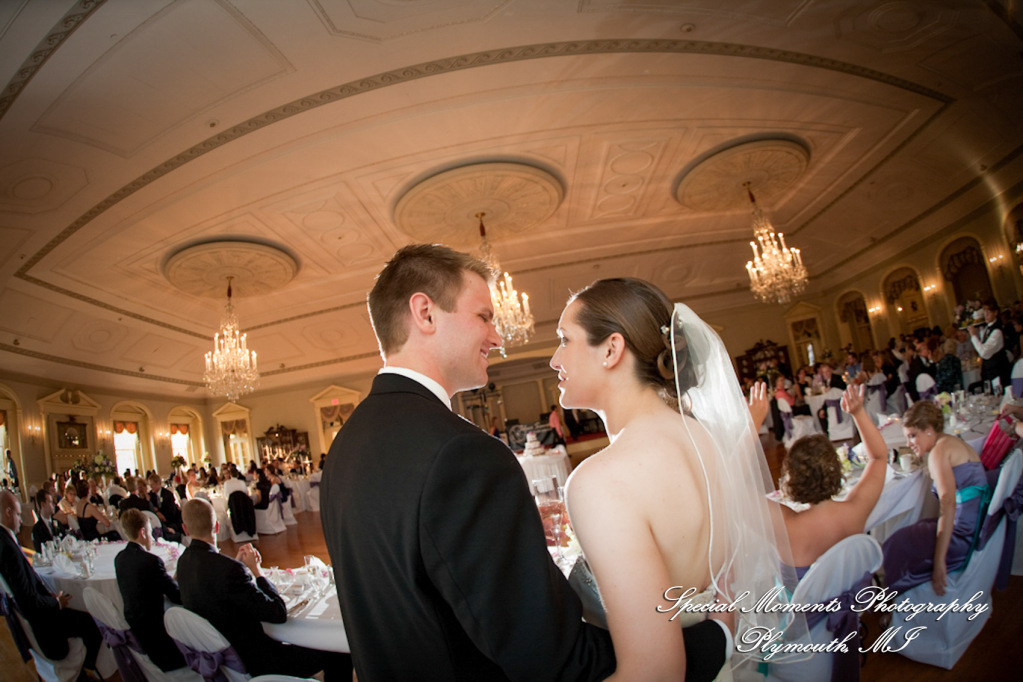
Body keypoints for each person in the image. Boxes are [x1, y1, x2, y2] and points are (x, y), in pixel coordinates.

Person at [321, 245, 728, 682]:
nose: (497, 338)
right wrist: (715, 639)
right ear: (425, 313)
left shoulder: (346, 445)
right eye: (484, 317)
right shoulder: (462, 453)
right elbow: (552, 661)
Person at [550, 278, 805, 679]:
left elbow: (655, 673)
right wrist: (721, 629)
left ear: (612, 349)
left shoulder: (599, 482)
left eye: (565, 340)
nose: (554, 360)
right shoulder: (706, 439)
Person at [177, 499, 350, 679]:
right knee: (337, 650)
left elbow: (216, 589)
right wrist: (257, 571)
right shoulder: (228, 570)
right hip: (258, 660)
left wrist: (236, 565)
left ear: (185, 529)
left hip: (226, 657)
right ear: (217, 526)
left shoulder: (183, 563)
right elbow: (277, 613)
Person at [775, 386, 887, 576]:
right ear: (835, 468)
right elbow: (879, 457)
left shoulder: (787, 526)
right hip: (858, 596)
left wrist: (750, 427)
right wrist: (858, 413)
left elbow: (735, 492)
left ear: (792, 477)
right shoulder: (856, 510)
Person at [882, 400, 987, 595]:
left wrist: (939, 562)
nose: (908, 444)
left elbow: (948, 504)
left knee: (896, 543)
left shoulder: (938, 453)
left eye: (913, 436)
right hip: (974, 525)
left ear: (929, 429)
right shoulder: (952, 441)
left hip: (961, 535)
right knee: (914, 530)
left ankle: (896, 601)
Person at [0, 490, 103, 674]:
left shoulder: (4, 540)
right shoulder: (7, 548)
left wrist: (49, 596)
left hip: (41, 614)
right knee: (91, 622)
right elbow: (28, 601)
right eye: (18, 514)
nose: (21, 521)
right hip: (45, 626)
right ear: (8, 513)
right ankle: (85, 670)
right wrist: (55, 602)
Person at [114, 508, 187, 672]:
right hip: (157, 634)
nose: (152, 537)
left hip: (137, 630)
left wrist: (171, 579)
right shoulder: (150, 561)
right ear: (142, 532)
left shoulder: (120, 558)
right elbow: (176, 596)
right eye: (149, 531)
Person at [970, 298, 1012, 390]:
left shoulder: (997, 331)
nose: (986, 314)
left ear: (995, 312)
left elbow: (984, 352)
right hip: (989, 372)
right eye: (984, 311)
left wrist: (973, 336)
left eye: (988, 311)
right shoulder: (987, 328)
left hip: (999, 373)